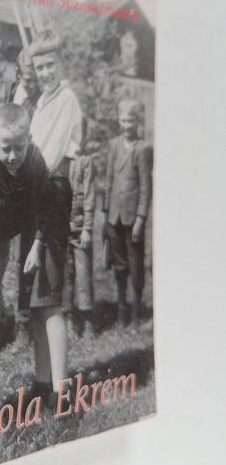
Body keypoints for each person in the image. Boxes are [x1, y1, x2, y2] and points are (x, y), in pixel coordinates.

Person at [0, 103, 53, 360]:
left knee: (28, 263)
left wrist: (38, 243)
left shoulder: (36, 159)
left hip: (29, 211)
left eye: (20, 147)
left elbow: (46, 206)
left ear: (29, 140)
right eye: (6, 148)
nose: (13, 156)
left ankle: (23, 322)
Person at [27, 29, 83, 407]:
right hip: (34, 195)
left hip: (52, 194)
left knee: (49, 298)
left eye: (50, 65)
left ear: (61, 63)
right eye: (39, 67)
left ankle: (62, 390)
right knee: (35, 299)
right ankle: (42, 380)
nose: (45, 72)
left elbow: (48, 156)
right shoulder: (41, 101)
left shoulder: (67, 101)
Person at [0, 48, 41, 355]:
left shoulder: (44, 102)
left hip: (28, 185)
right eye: (27, 76)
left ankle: (24, 323)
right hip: (2, 186)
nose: (31, 82)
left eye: (35, 77)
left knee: (26, 256)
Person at [101, 99, 151, 327]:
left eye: (130, 120)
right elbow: (108, 181)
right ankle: (122, 307)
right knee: (119, 264)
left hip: (132, 219)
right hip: (114, 216)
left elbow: (146, 188)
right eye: (123, 120)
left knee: (136, 264)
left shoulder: (142, 149)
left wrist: (141, 219)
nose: (126, 125)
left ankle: (136, 311)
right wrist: (105, 215)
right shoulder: (113, 145)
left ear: (137, 121)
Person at [62, 137, 96, 339]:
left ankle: (87, 319)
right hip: (62, 227)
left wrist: (87, 228)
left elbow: (90, 195)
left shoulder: (85, 161)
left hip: (80, 227)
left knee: (83, 274)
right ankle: (68, 318)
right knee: (65, 274)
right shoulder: (59, 157)